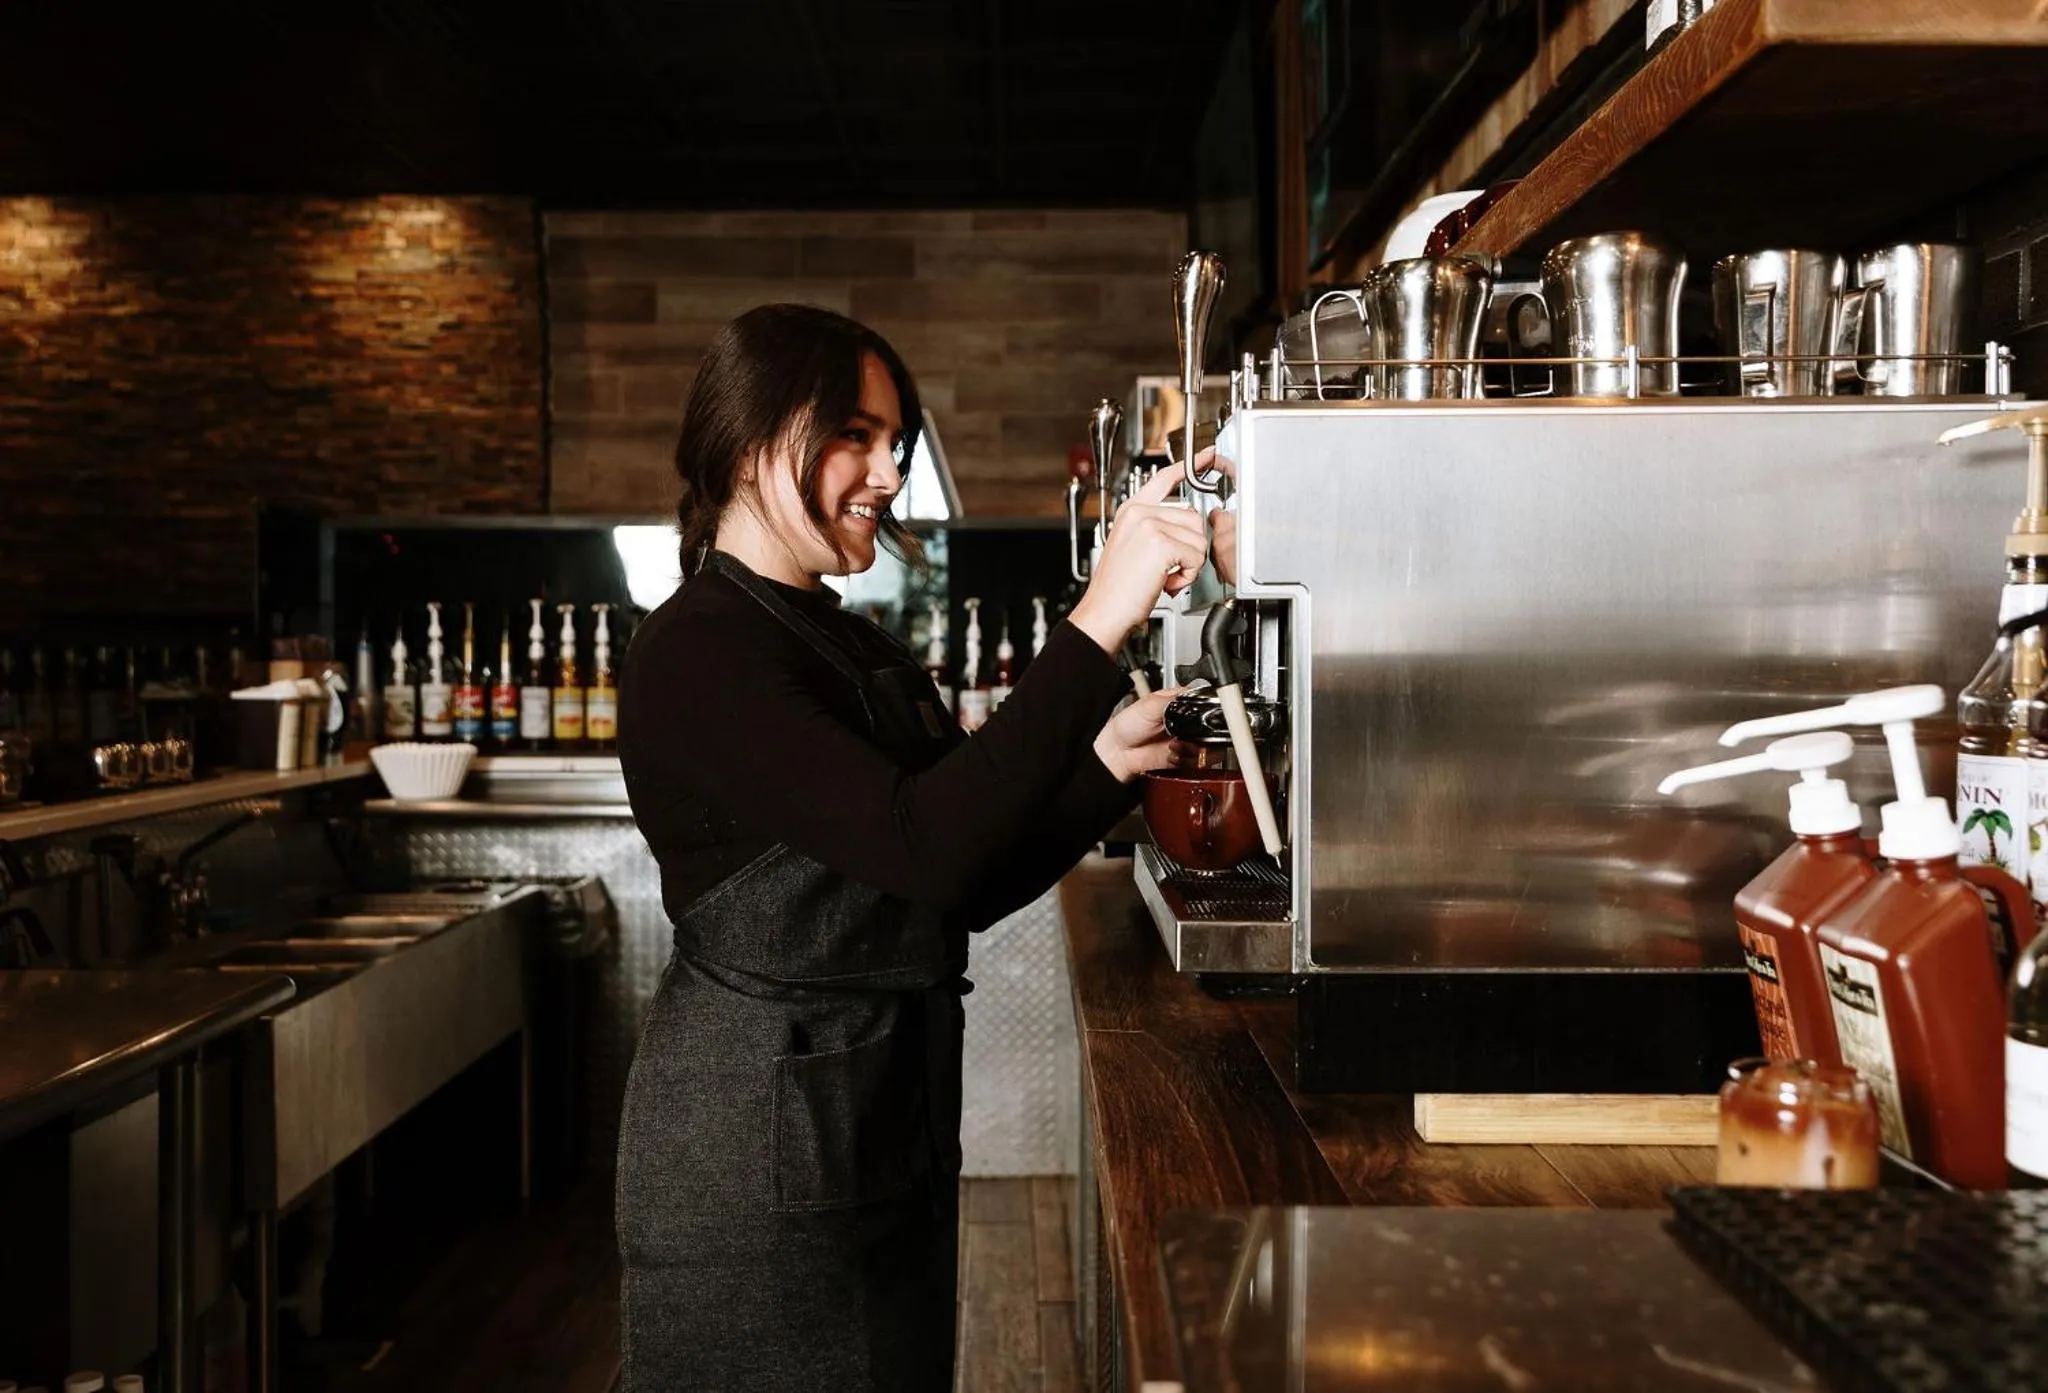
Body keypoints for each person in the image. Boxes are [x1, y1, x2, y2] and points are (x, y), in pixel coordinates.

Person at [614, 303, 1207, 1391]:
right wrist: (1096, 619)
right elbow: (926, 846)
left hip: (879, 1109)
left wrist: (1103, 770)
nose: (888, 474)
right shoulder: (696, 648)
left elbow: (953, 878)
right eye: (854, 435)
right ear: (751, 441)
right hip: (758, 1140)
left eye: (896, 442)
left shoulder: (840, 634)